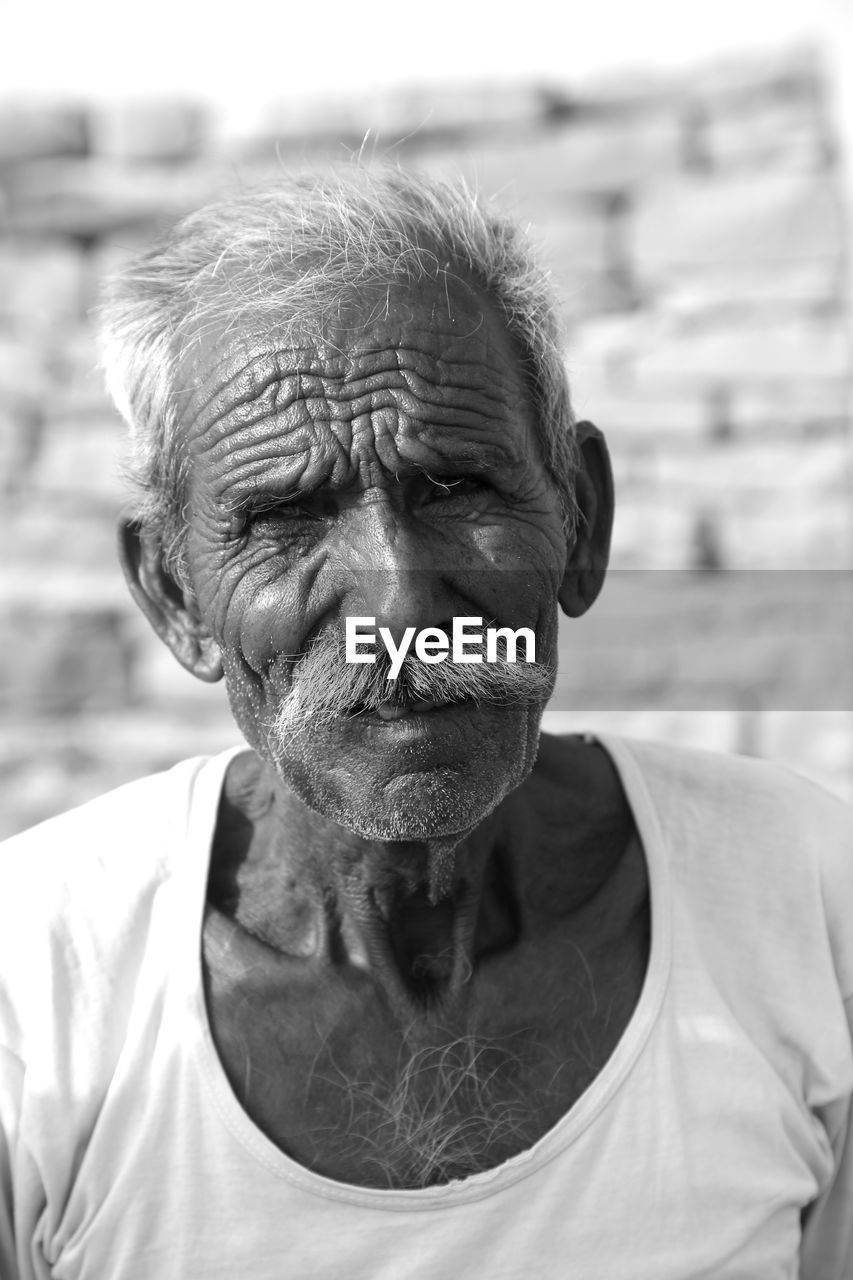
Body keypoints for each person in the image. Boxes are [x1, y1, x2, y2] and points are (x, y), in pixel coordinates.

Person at [0, 166, 851, 1280]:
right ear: (174, 595)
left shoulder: (802, 896)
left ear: (580, 523)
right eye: (287, 517)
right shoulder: (37, 978)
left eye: (455, 490)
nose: (401, 602)